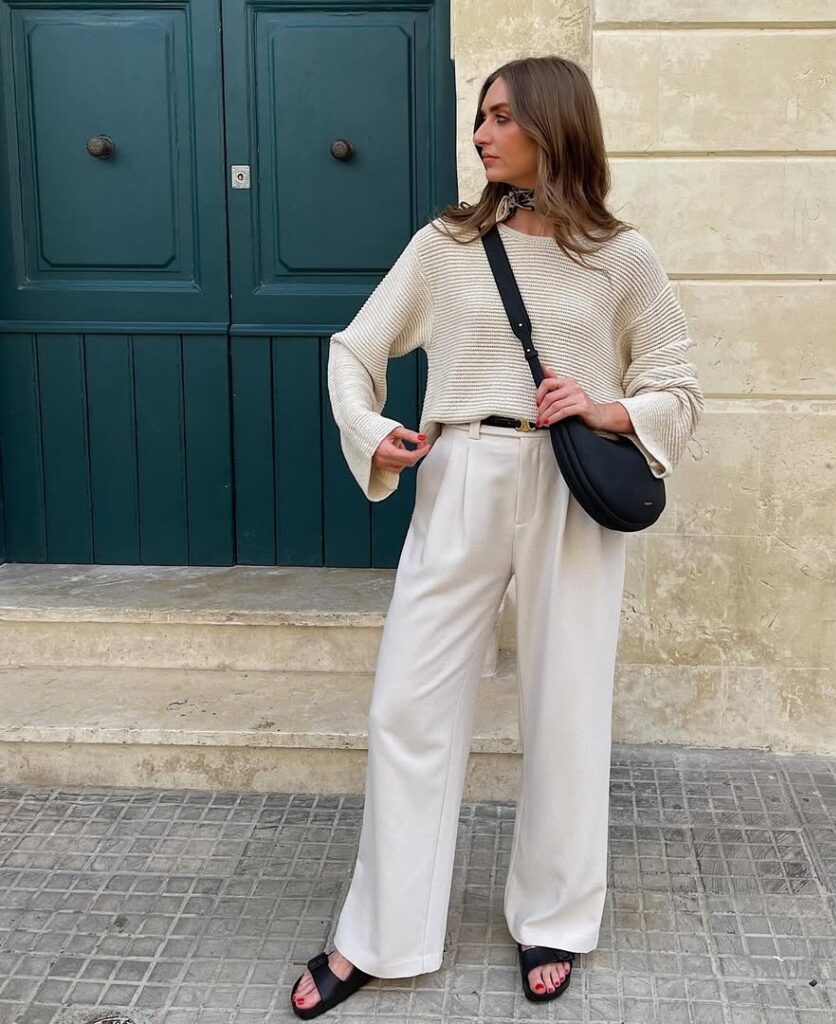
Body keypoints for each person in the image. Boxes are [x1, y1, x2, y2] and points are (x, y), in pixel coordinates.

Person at [289, 55, 704, 1019]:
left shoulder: (622, 256)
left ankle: (553, 917)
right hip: (461, 471)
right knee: (408, 705)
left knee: (566, 706)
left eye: (502, 117)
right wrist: (373, 430)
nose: (481, 134)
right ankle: (378, 934)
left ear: (555, 125)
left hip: (569, 484)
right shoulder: (447, 244)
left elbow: (680, 388)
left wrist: (606, 410)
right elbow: (355, 346)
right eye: (480, 118)